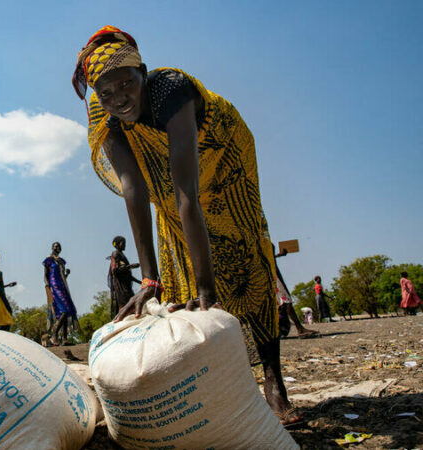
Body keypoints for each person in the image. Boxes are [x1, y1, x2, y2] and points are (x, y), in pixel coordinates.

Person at [72, 26, 301, 425]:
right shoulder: (103, 115)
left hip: (223, 158)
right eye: (105, 93)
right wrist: (149, 280)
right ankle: (230, 380)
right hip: (170, 183)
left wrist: (207, 288)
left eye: (126, 84)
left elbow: (187, 195)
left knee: (247, 255)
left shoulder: (169, 89)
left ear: (142, 72)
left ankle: (274, 380)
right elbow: (133, 189)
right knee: (178, 251)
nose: (118, 99)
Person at [274, 247, 318, 338]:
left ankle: (285, 329)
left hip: (274, 273)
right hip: (272, 275)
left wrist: (279, 255)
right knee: (286, 301)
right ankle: (299, 329)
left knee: (283, 302)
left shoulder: (261, 237)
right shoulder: (258, 238)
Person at [43, 242, 79, 346]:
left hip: (63, 286)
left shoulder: (61, 262)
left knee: (68, 310)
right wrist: (47, 286)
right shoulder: (48, 260)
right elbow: (45, 275)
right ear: (52, 248)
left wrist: (66, 274)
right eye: (56, 246)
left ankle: (64, 339)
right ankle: (54, 334)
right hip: (54, 286)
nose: (58, 248)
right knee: (65, 309)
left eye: (59, 246)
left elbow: (62, 277)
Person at [108, 236, 140, 320]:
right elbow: (115, 270)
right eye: (123, 243)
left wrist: (140, 282)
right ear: (118, 244)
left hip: (126, 285)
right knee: (125, 306)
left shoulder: (121, 254)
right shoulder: (116, 254)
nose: (125, 245)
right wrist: (131, 266)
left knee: (131, 303)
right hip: (121, 287)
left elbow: (127, 275)